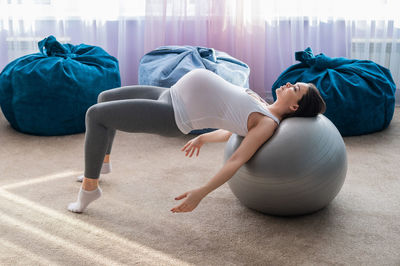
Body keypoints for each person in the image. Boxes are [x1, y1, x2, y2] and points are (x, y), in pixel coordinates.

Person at [67, 69, 326, 214]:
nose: (290, 83)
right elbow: (230, 130)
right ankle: (103, 164)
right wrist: (205, 137)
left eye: (296, 88)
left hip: (172, 115)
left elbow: (237, 158)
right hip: (169, 94)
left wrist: (201, 193)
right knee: (104, 98)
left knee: (95, 115)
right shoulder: (263, 105)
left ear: (294, 106)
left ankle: (90, 189)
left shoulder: (267, 123)